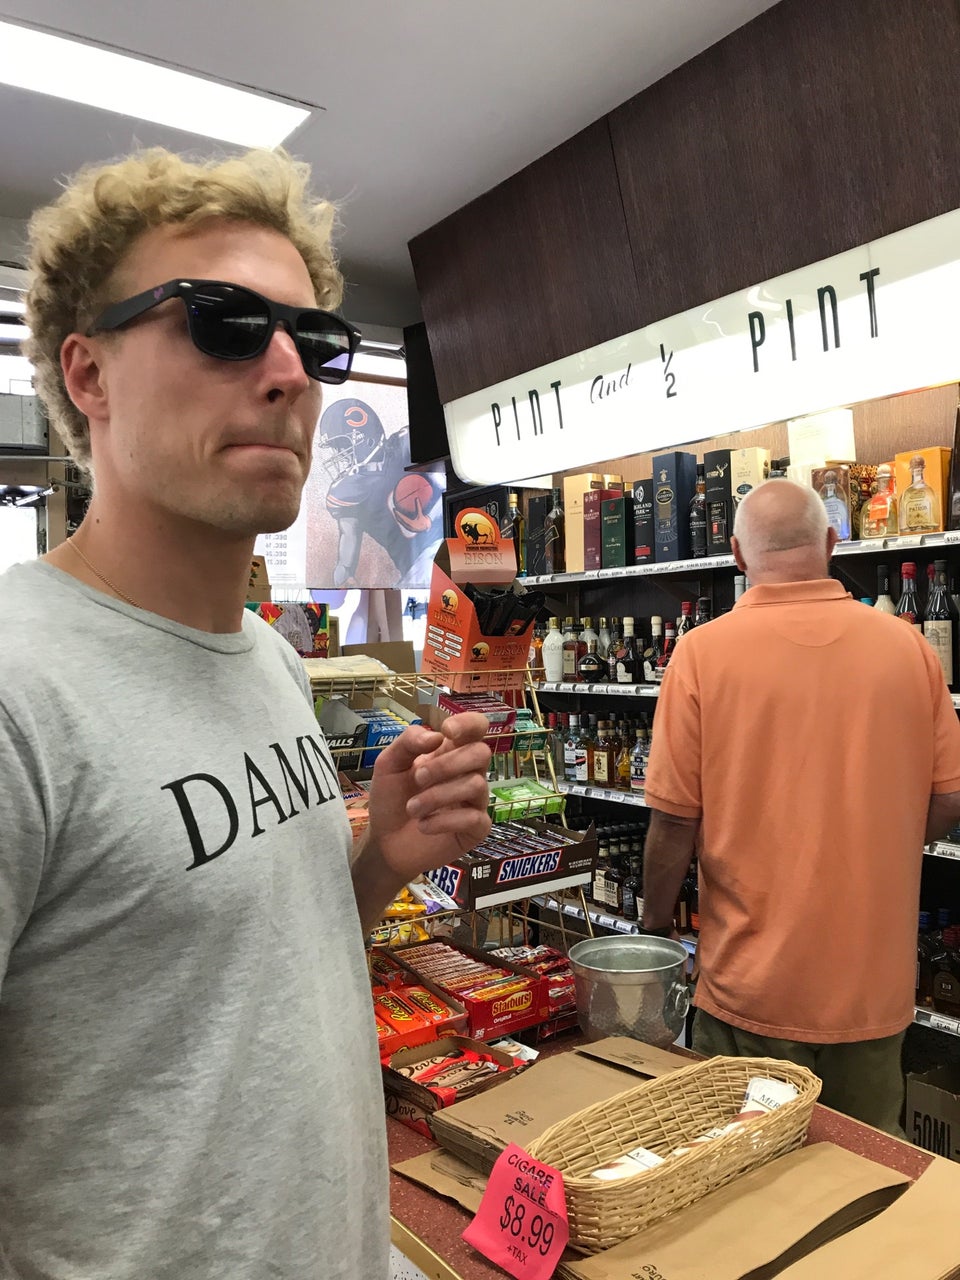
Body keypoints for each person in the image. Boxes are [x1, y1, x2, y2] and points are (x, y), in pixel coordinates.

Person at [0, 148, 493, 1280]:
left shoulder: (267, 657)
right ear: (89, 373)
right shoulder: (19, 693)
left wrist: (382, 858)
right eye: (222, 323)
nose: (288, 373)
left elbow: (265, 970)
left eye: (313, 340)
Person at [641, 478, 960, 1134]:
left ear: (736, 553)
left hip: (749, 987)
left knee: (737, 1171)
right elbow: (949, 797)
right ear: (832, 543)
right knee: (861, 1173)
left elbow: (673, 820)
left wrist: (655, 926)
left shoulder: (701, 653)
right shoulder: (909, 647)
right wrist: (882, 841)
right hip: (872, 990)